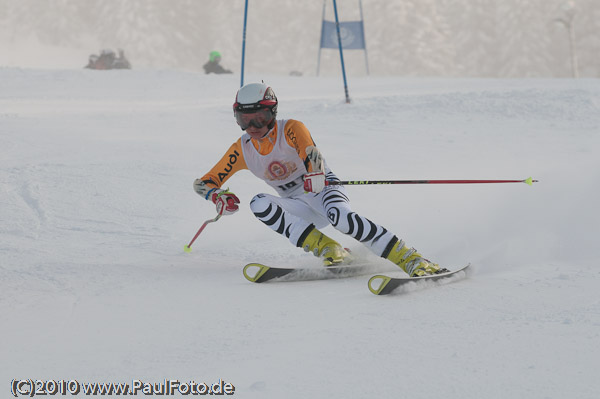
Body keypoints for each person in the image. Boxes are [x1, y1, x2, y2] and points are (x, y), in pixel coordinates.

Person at [193, 83, 448, 277]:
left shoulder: (291, 128)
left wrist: (314, 172)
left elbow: (310, 151)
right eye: (244, 120)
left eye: (259, 117)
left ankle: (411, 258)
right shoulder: (243, 148)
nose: (252, 126)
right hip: (298, 204)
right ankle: (330, 249)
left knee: (342, 219)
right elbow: (204, 182)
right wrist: (217, 196)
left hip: (323, 189)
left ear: (272, 112)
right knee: (258, 203)